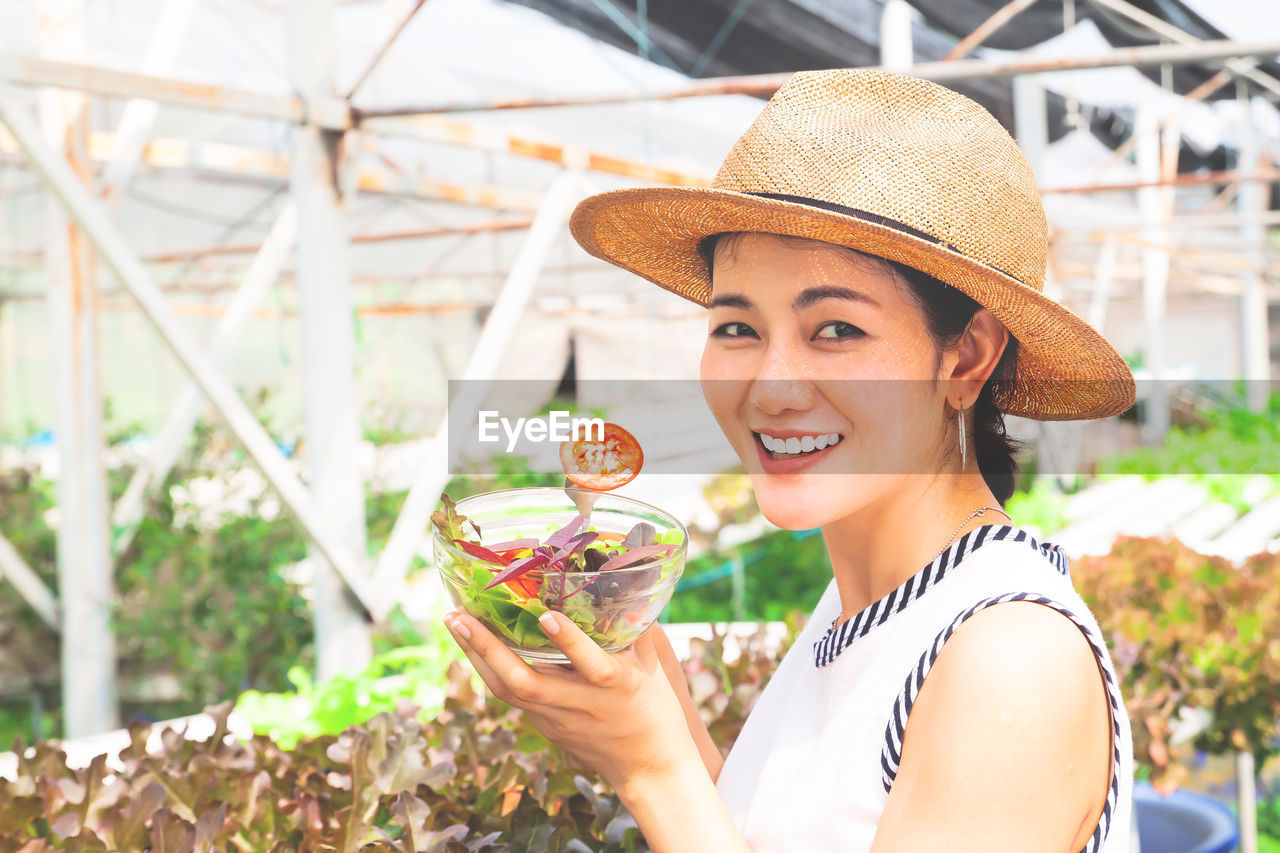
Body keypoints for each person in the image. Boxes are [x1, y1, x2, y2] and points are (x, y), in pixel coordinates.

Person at [442, 68, 1136, 852]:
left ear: (967, 357)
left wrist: (653, 768)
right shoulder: (862, 610)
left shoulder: (1010, 656)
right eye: (737, 327)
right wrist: (646, 700)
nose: (771, 387)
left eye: (836, 330)